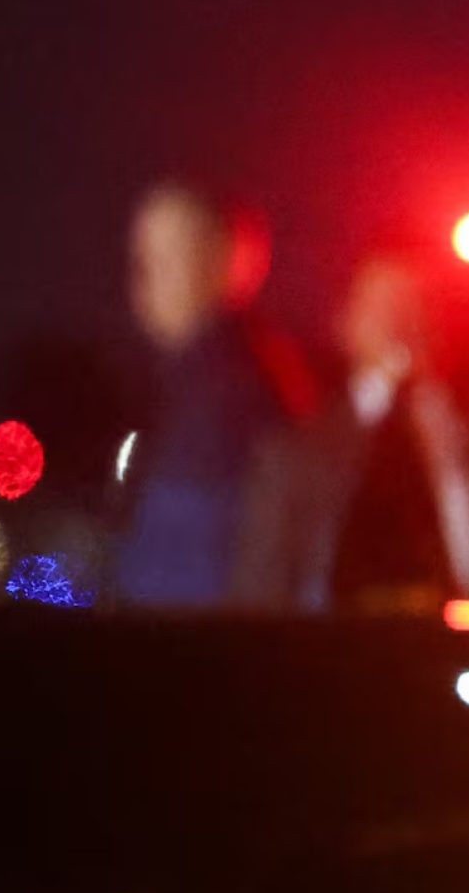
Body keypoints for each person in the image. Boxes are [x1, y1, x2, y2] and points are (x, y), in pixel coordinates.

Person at [240, 249, 469, 613]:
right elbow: (260, 594)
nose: (398, 322)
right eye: (380, 305)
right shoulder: (295, 455)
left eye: (414, 303)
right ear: (344, 321)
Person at [112, 181, 317, 607]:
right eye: (145, 258)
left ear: (229, 262)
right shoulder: (184, 381)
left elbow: (188, 567)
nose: (147, 278)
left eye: (171, 256)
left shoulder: (233, 391)